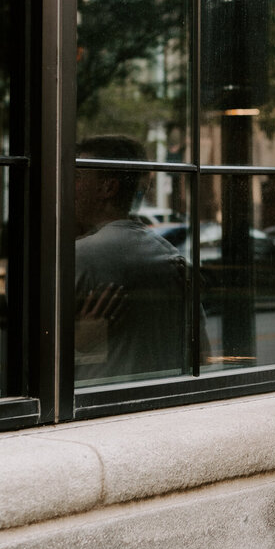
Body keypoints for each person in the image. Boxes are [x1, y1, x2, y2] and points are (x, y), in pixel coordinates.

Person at [74, 135, 201, 381]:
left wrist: (79, 341)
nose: (69, 185)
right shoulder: (174, 261)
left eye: (78, 177)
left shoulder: (76, 259)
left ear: (108, 188)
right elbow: (201, 353)